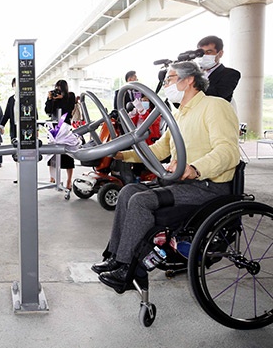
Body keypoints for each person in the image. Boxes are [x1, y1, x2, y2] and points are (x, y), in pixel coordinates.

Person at [91, 61, 239, 292]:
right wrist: (121, 154)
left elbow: (228, 152)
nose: (166, 84)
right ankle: (116, 257)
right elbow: (161, 149)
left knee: (141, 201)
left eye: (169, 79)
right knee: (128, 191)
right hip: (183, 184)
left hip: (207, 187)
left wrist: (195, 168)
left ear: (189, 79)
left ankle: (128, 269)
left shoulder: (215, 106)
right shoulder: (179, 114)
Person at [44, 80, 76, 189]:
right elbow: (47, 111)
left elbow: (69, 108)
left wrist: (62, 98)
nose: (58, 91)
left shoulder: (70, 96)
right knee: (52, 152)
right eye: (56, 88)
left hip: (65, 127)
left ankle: (69, 180)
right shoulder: (52, 97)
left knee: (67, 154)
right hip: (54, 127)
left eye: (60, 88)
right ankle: (52, 177)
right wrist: (50, 99)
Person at [196, 35, 241, 103]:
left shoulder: (230, 74)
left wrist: (190, 87)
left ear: (220, 53)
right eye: (201, 53)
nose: (204, 55)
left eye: (209, 52)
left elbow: (218, 94)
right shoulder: (193, 74)